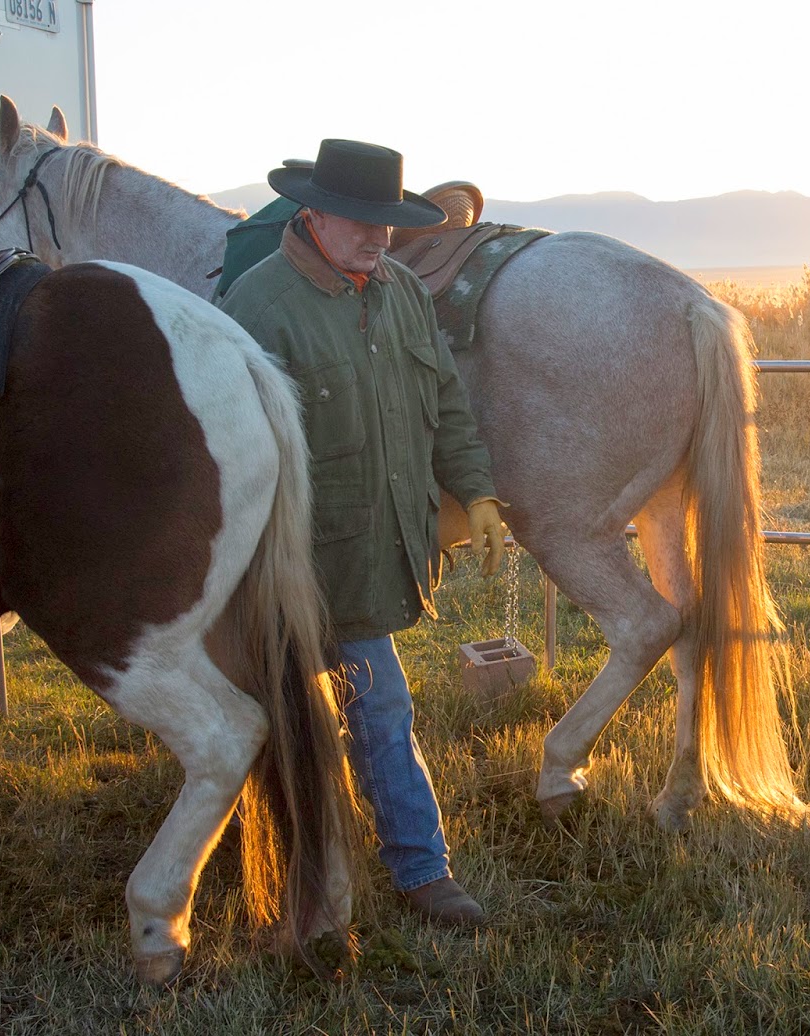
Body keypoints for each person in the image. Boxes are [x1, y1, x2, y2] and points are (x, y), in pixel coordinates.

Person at [218, 139, 507, 927]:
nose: (379, 237)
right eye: (361, 221)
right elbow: (225, 454)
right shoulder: (257, 307)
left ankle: (375, 862)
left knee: (360, 709)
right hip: (296, 563)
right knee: (361, 710)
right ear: (312, 215)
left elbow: (445, 399)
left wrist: (477, 491)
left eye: (388, 222)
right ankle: (419, 870)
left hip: (377, 555)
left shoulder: (403, 290)